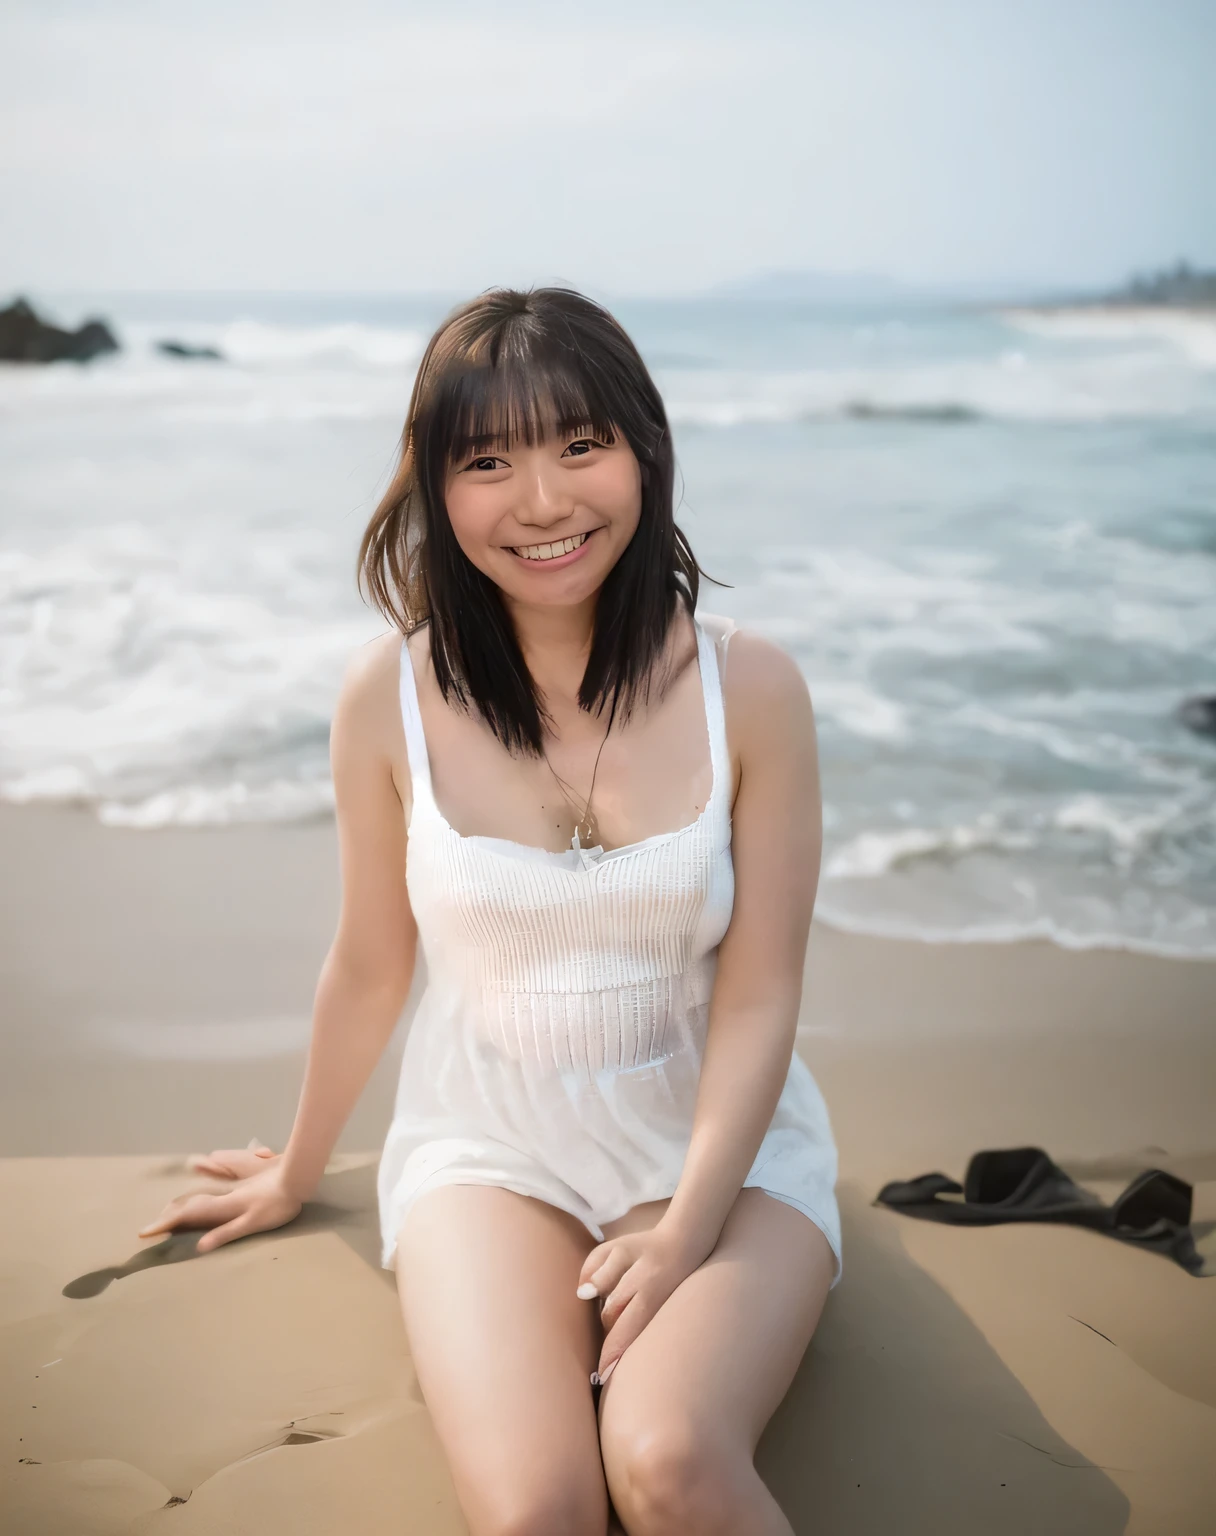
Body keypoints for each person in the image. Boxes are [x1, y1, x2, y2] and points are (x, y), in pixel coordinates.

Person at [138, 286, 842, 1535]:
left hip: (717, 1152)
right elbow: (367, 964)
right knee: (537, 1511)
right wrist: (299, 1172)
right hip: (490, 1147)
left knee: (668, 1459)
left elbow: (761, 988)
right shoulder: (387, 699)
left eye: (581, 444)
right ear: (432, 485)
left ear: (644, 451)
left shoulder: (753, 687)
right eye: (487, 460)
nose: (543, 502)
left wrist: (686, 1228)